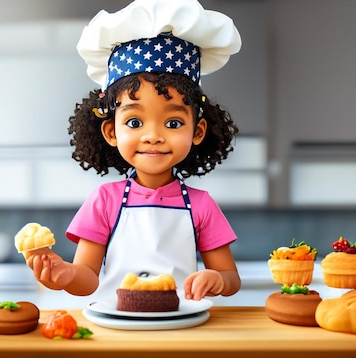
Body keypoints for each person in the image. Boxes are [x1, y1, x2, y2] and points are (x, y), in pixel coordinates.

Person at [26, 0, 242, 302]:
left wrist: (216, 279)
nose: (153, 136)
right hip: (117, 328)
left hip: (182, 328)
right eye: (135, 121)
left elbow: (231, 278)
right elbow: (86, 278)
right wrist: (65, 275)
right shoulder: (104, 201)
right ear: (112, 132)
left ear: (198, 131)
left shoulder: (202, 206)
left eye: (173, 121)